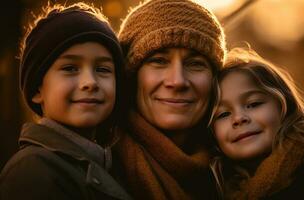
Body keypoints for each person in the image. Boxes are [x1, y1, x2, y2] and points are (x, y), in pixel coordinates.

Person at [0, 3, 132, 200]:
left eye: (102, 69)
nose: (90, 82)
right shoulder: (32, 171)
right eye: (70, 68)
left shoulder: (115, 166)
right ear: (37, 89)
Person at [111, 0, 227, 199]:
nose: (178, 81)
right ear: (131, 78)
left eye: (195, 63)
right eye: (159, 61)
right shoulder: (97, 166)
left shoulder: (241, 170)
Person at [210, 47, 304, 199]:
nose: (239, 118)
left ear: (284, 105)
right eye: (223, 114)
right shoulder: (217, 190)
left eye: (254, 103)